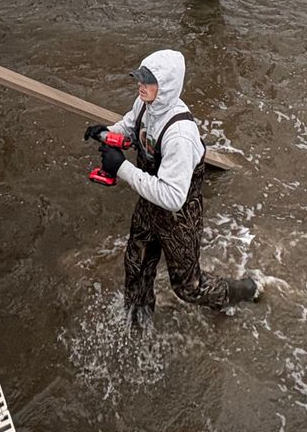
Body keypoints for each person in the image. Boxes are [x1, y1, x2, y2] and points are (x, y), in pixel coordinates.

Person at [86, 50, 261, 326]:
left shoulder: (180, 136)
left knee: (188, 287)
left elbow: (173, 197)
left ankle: (242, 291)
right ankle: (137, 322)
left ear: (165, 86)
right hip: (148, 202)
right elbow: (131, 128)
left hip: (178, 217)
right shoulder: (145, 103)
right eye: (139, 77)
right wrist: (107, 133)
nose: (140, 84)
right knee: (136, 264)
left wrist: (121, 168)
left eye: (147, 80)